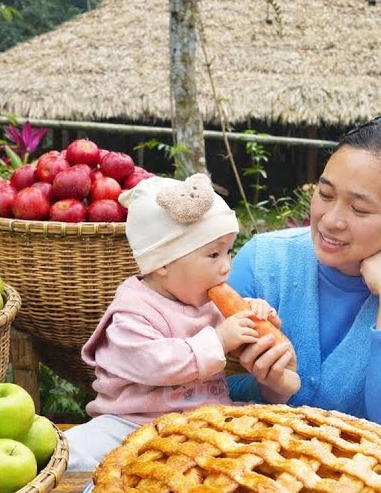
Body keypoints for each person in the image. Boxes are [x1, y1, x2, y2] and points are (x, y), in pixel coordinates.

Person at [227, 103, 381, 436]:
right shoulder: (263, 262)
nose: (331, 220)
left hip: (373, 482)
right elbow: (200, 383)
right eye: (325, 194)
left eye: (360, 209)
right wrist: (269, 390)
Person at [65, 174, 300, 471]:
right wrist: (218, 341)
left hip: (205, 422)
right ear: (162, 262)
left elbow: (241, 340)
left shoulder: (204, 300)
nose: (227, 265)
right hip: (132, 424)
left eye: (229, 250)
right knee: (74, 451)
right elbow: (153, 364)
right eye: (213, 254)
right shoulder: (132, 312)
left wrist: (255, 315)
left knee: (272, 441)